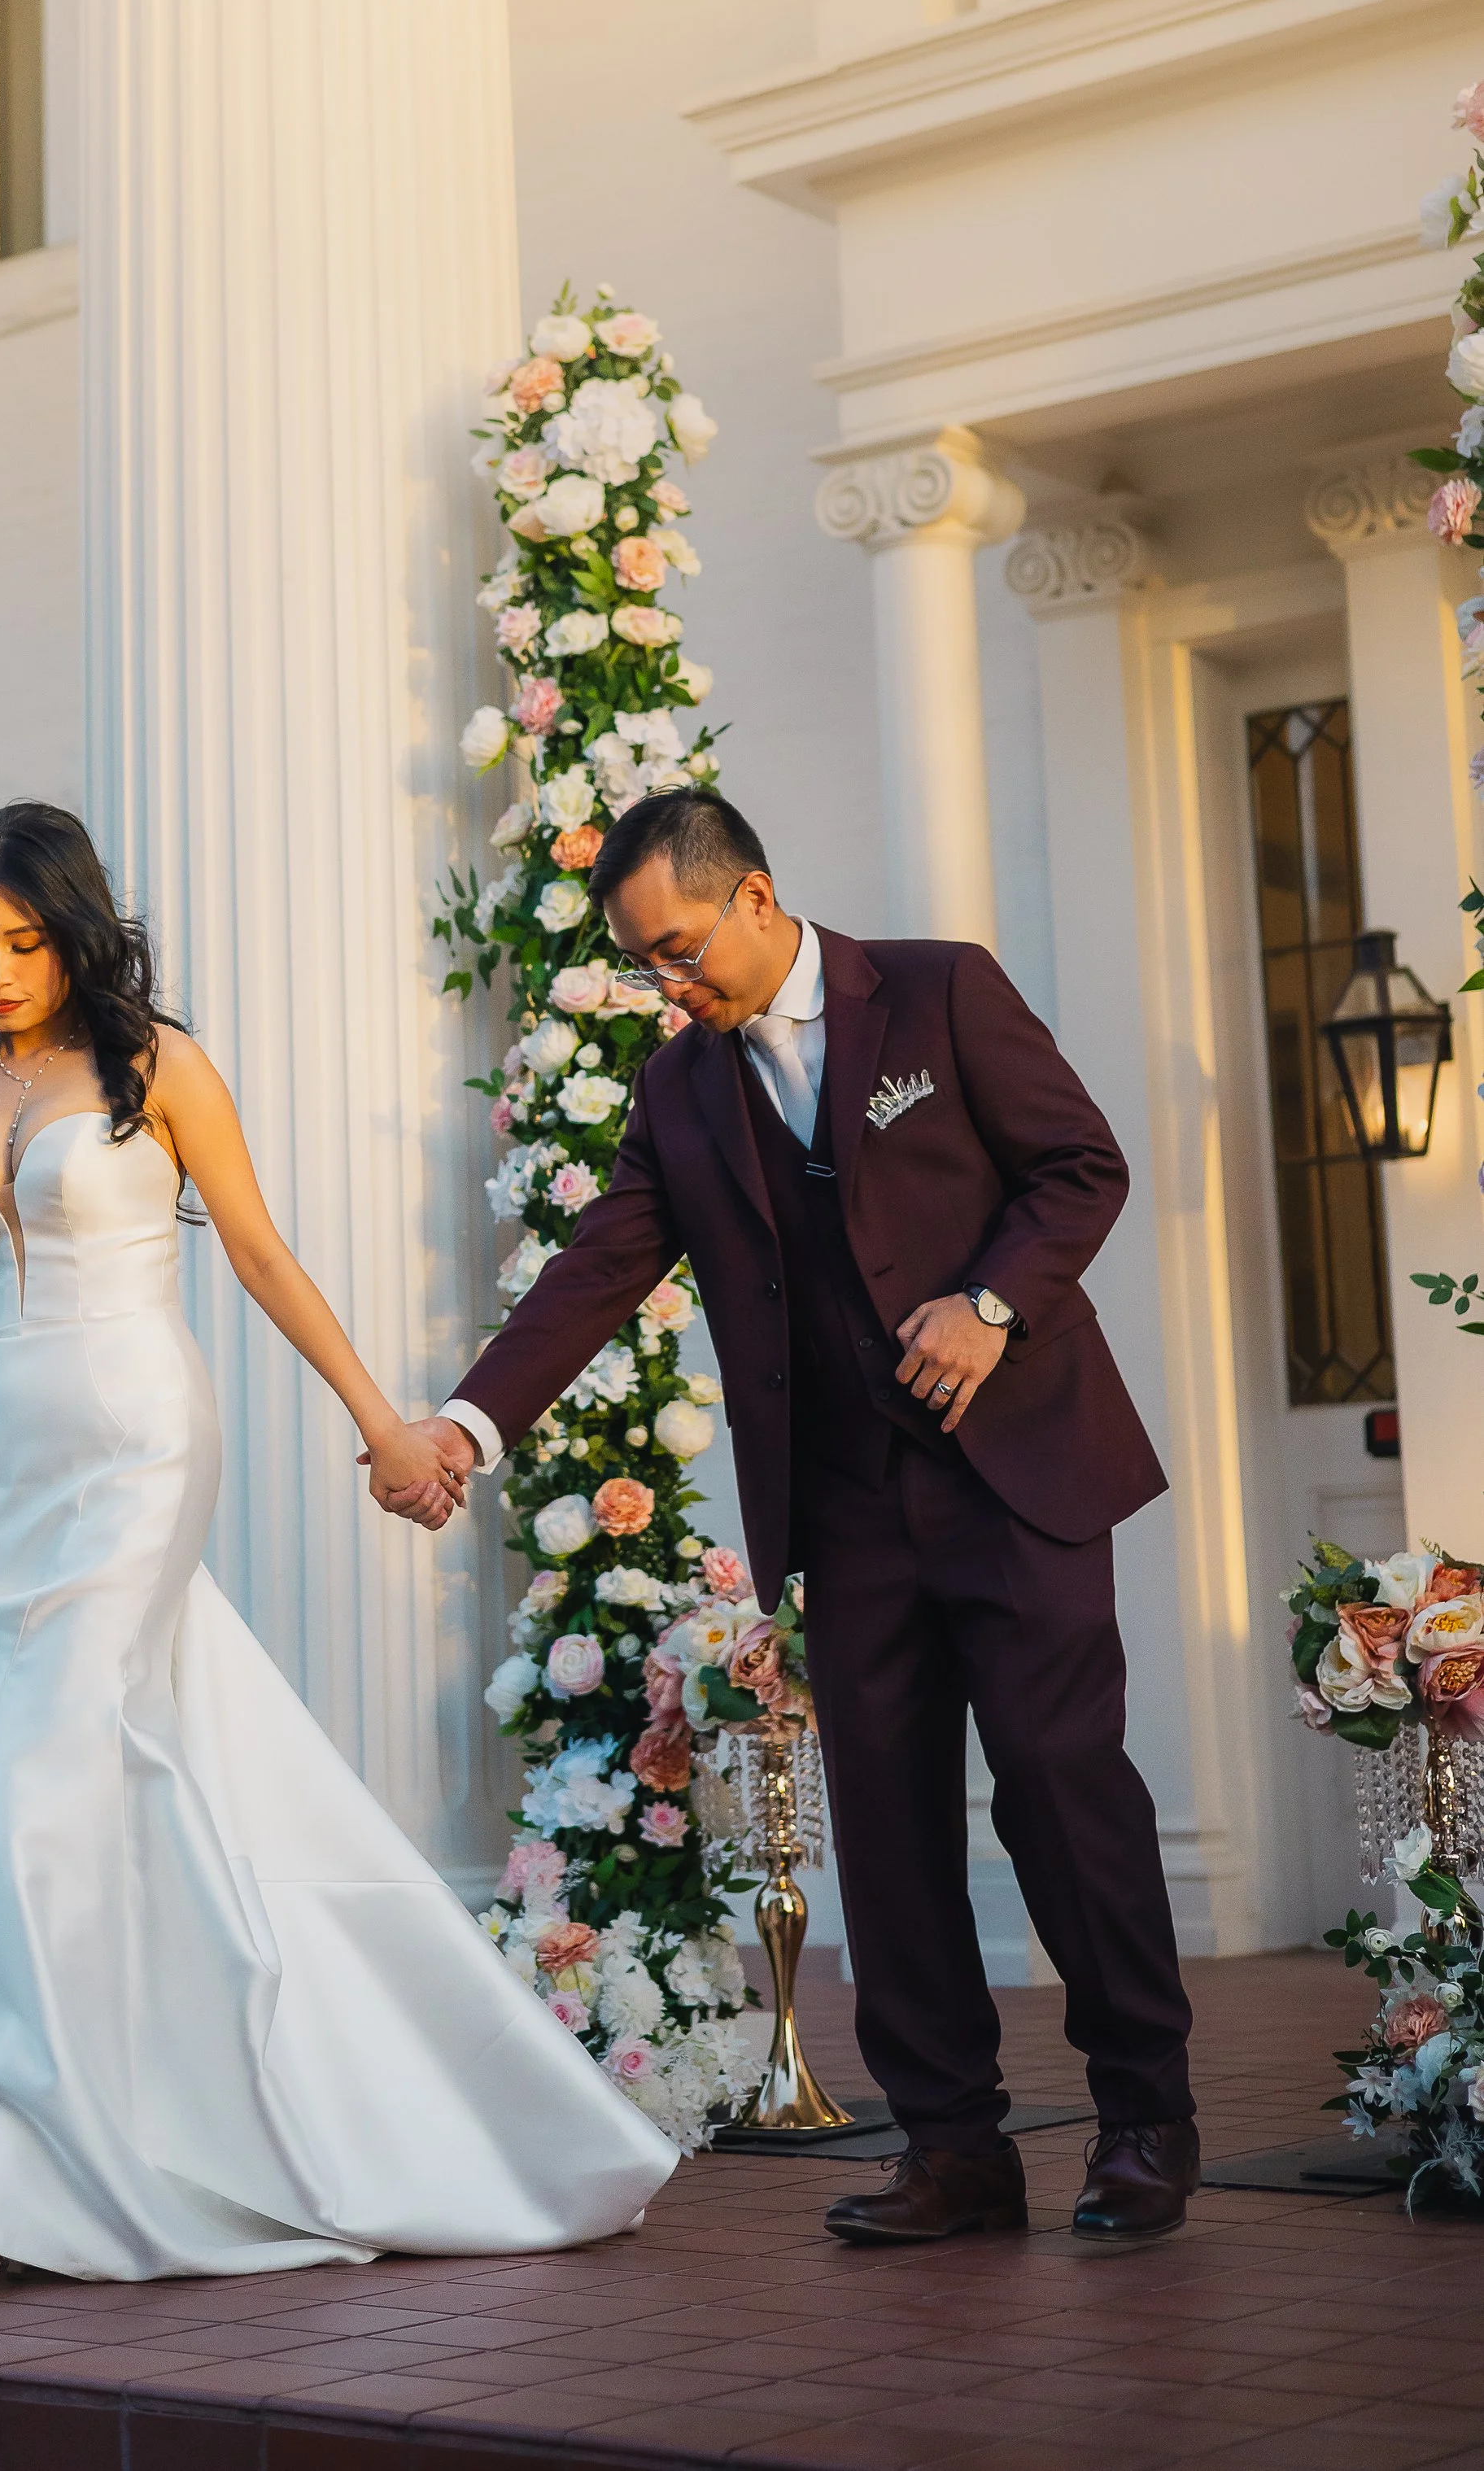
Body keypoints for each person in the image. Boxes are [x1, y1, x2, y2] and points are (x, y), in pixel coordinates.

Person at [0, 802, 673, 2287]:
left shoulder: (156, 1065)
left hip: (142, 1438)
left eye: (22, 941)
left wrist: (385, 1423)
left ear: (74, 928)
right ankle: (124, 2114)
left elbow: (257, 1247)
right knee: (10, 1785)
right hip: (9, 1471)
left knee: (37, 1773)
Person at [404, 789, 1198, 2247]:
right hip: (843, 1504)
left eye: (685, 949)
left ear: (758, 897)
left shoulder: (943, 986)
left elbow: (1082, 1165)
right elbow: (595, 1272)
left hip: (1011, 1470)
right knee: (887, 1832)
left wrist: (993, 1304)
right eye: (647, 963)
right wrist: (464, 1423)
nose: (672, 983)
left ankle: (1145, 2114)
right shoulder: (682, 1092)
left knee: (1060, 1788)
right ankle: (956, 2147)